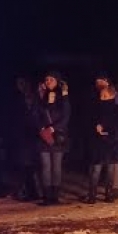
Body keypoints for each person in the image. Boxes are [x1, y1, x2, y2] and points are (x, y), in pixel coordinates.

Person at [85, 85, 118, 204]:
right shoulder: (95, 109)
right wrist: (95, 127)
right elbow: (89, 121)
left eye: (105, 96)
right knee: (95, 170)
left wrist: (105, 127)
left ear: (112, 95)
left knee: (110, 170)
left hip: (112, 143)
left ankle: (109, 194)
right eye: (101, 96)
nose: (102, 98)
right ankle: (92, 194)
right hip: (97, 144)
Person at [35, 71, 71, 205]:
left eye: (51, 79)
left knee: (56, 166)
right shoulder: (40, 97)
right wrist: (41, 129)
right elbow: (36, 115)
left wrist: (53, 128)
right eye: (46, 79)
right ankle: (46, 196)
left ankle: (55, 196)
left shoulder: (63, 96)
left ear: (57, 81)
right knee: (45, 166)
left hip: (57, 136)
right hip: (43, 136)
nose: (48, 81)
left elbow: (66, 116)